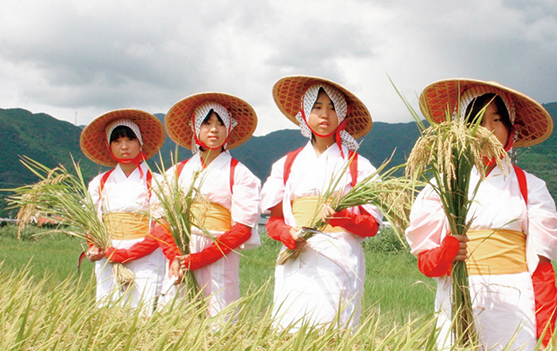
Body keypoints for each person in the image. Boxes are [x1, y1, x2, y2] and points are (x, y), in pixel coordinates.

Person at [405, 79, 557, 351]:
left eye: (497, 119)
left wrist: (546, 334)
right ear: (463, 129)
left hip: (515, 303)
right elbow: (428, 265)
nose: (488, 129)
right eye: (478, 120)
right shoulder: (441, 188)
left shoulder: (532, 188)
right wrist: (448, 251)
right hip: (459, 299)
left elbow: (541, 271)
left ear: (510, 127)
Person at [261, 76, 381, 330]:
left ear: (342, 115)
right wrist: (288, 234)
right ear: (305, 113)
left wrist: (342, 219)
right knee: (290, 329)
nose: (325, 114)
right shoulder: (287, 164)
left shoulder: (358, 166)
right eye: (317, 107)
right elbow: (274, 221)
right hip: (297, 256)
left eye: (332, 107)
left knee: (335, 330)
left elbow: (371, 225)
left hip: (339, 257)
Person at [157, 92, 261, 323]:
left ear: (228, 130)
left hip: (219, 252)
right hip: (181, 253)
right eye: (207, 123)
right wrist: (176, 256)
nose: (213, 129)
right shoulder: (176, 172)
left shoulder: (240, 174)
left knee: (219, 317)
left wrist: (201, 257)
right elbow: (161, 222)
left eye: (220, 123)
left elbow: (243, 227)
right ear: (195, 128)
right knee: (176, 319)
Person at [80, 109, 166, 315]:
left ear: (140, 143)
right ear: (109, 147)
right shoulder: (99, 184)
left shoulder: (158, 182)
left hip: (146, 258)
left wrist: (129, 253)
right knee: (109, 313)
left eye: (130, 139)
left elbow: (162, 228)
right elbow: (91, 222)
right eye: (117, 141)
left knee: (143, 313)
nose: (124, 146)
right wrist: (96, 247)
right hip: (109, 258)